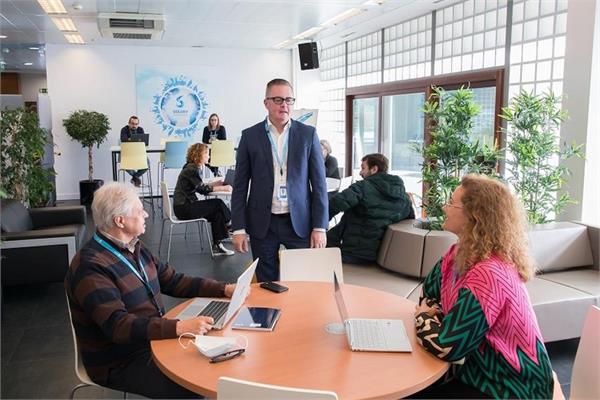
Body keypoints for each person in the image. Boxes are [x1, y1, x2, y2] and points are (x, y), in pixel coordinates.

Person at [64, 182, 237, 399]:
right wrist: (179, 327)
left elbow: (173, 280)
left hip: (151, 339)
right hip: (120, 359)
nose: (146, 214)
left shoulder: (134, 246)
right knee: (195, 382)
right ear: (120, 220)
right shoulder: (90, 267)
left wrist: (224, 289)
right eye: (139, 210)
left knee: (222, 356)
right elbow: (118, 326)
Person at [413, 174, 554, 399]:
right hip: (475, 375)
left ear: (474, 216)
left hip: (508, 388)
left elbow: (447, 346)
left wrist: (423, 317)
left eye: (451, 202)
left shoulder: (489, 274)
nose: (444, 206)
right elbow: (428, 297)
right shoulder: (455, 256)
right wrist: (431, 319)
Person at [230, 78, 328, 282]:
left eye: (289, 100)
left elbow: (319, 185)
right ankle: (270, 315)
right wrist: (238, 228)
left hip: (299, 222)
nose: (284, 104)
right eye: (278, 99)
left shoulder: (308, 134)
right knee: (267, 283)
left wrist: (320, 227)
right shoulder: (250, 136)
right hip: (262, 223)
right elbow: (240, 187)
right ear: (266, 103)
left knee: (302, 282)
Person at [327, 153, 413, 264]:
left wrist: (318, 225)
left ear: (374, 169)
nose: (360, 172)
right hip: (381, 255)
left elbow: (335, 203)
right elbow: (410, 220)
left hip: (353, 253)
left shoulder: (363, 187)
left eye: (363, 168)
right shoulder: (403, 196)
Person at [173, 143, 234, 256]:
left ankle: (217, 246)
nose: (209, 157)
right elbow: (203, 190)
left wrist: (216, 183)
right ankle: (230, 225)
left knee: (217, 214)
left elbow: (199, 185)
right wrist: (223, 188)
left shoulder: (191, 166)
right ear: (199, 155)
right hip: (184, 208)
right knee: (218, 203)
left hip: (184, 206)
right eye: (207, 154)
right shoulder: (192, 169)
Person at [120, 115, 147, 187]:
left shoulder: (140, 129)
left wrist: (130, 139)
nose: (134, 125)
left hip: (139, 154)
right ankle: (136, 177)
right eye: (132, 123)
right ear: (129, 123)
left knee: (147, 164)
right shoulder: (124, 129)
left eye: (136, 124)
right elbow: (123, 140)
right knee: (125, 165)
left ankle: (135, 177)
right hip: (128, 154)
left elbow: (144, 141)